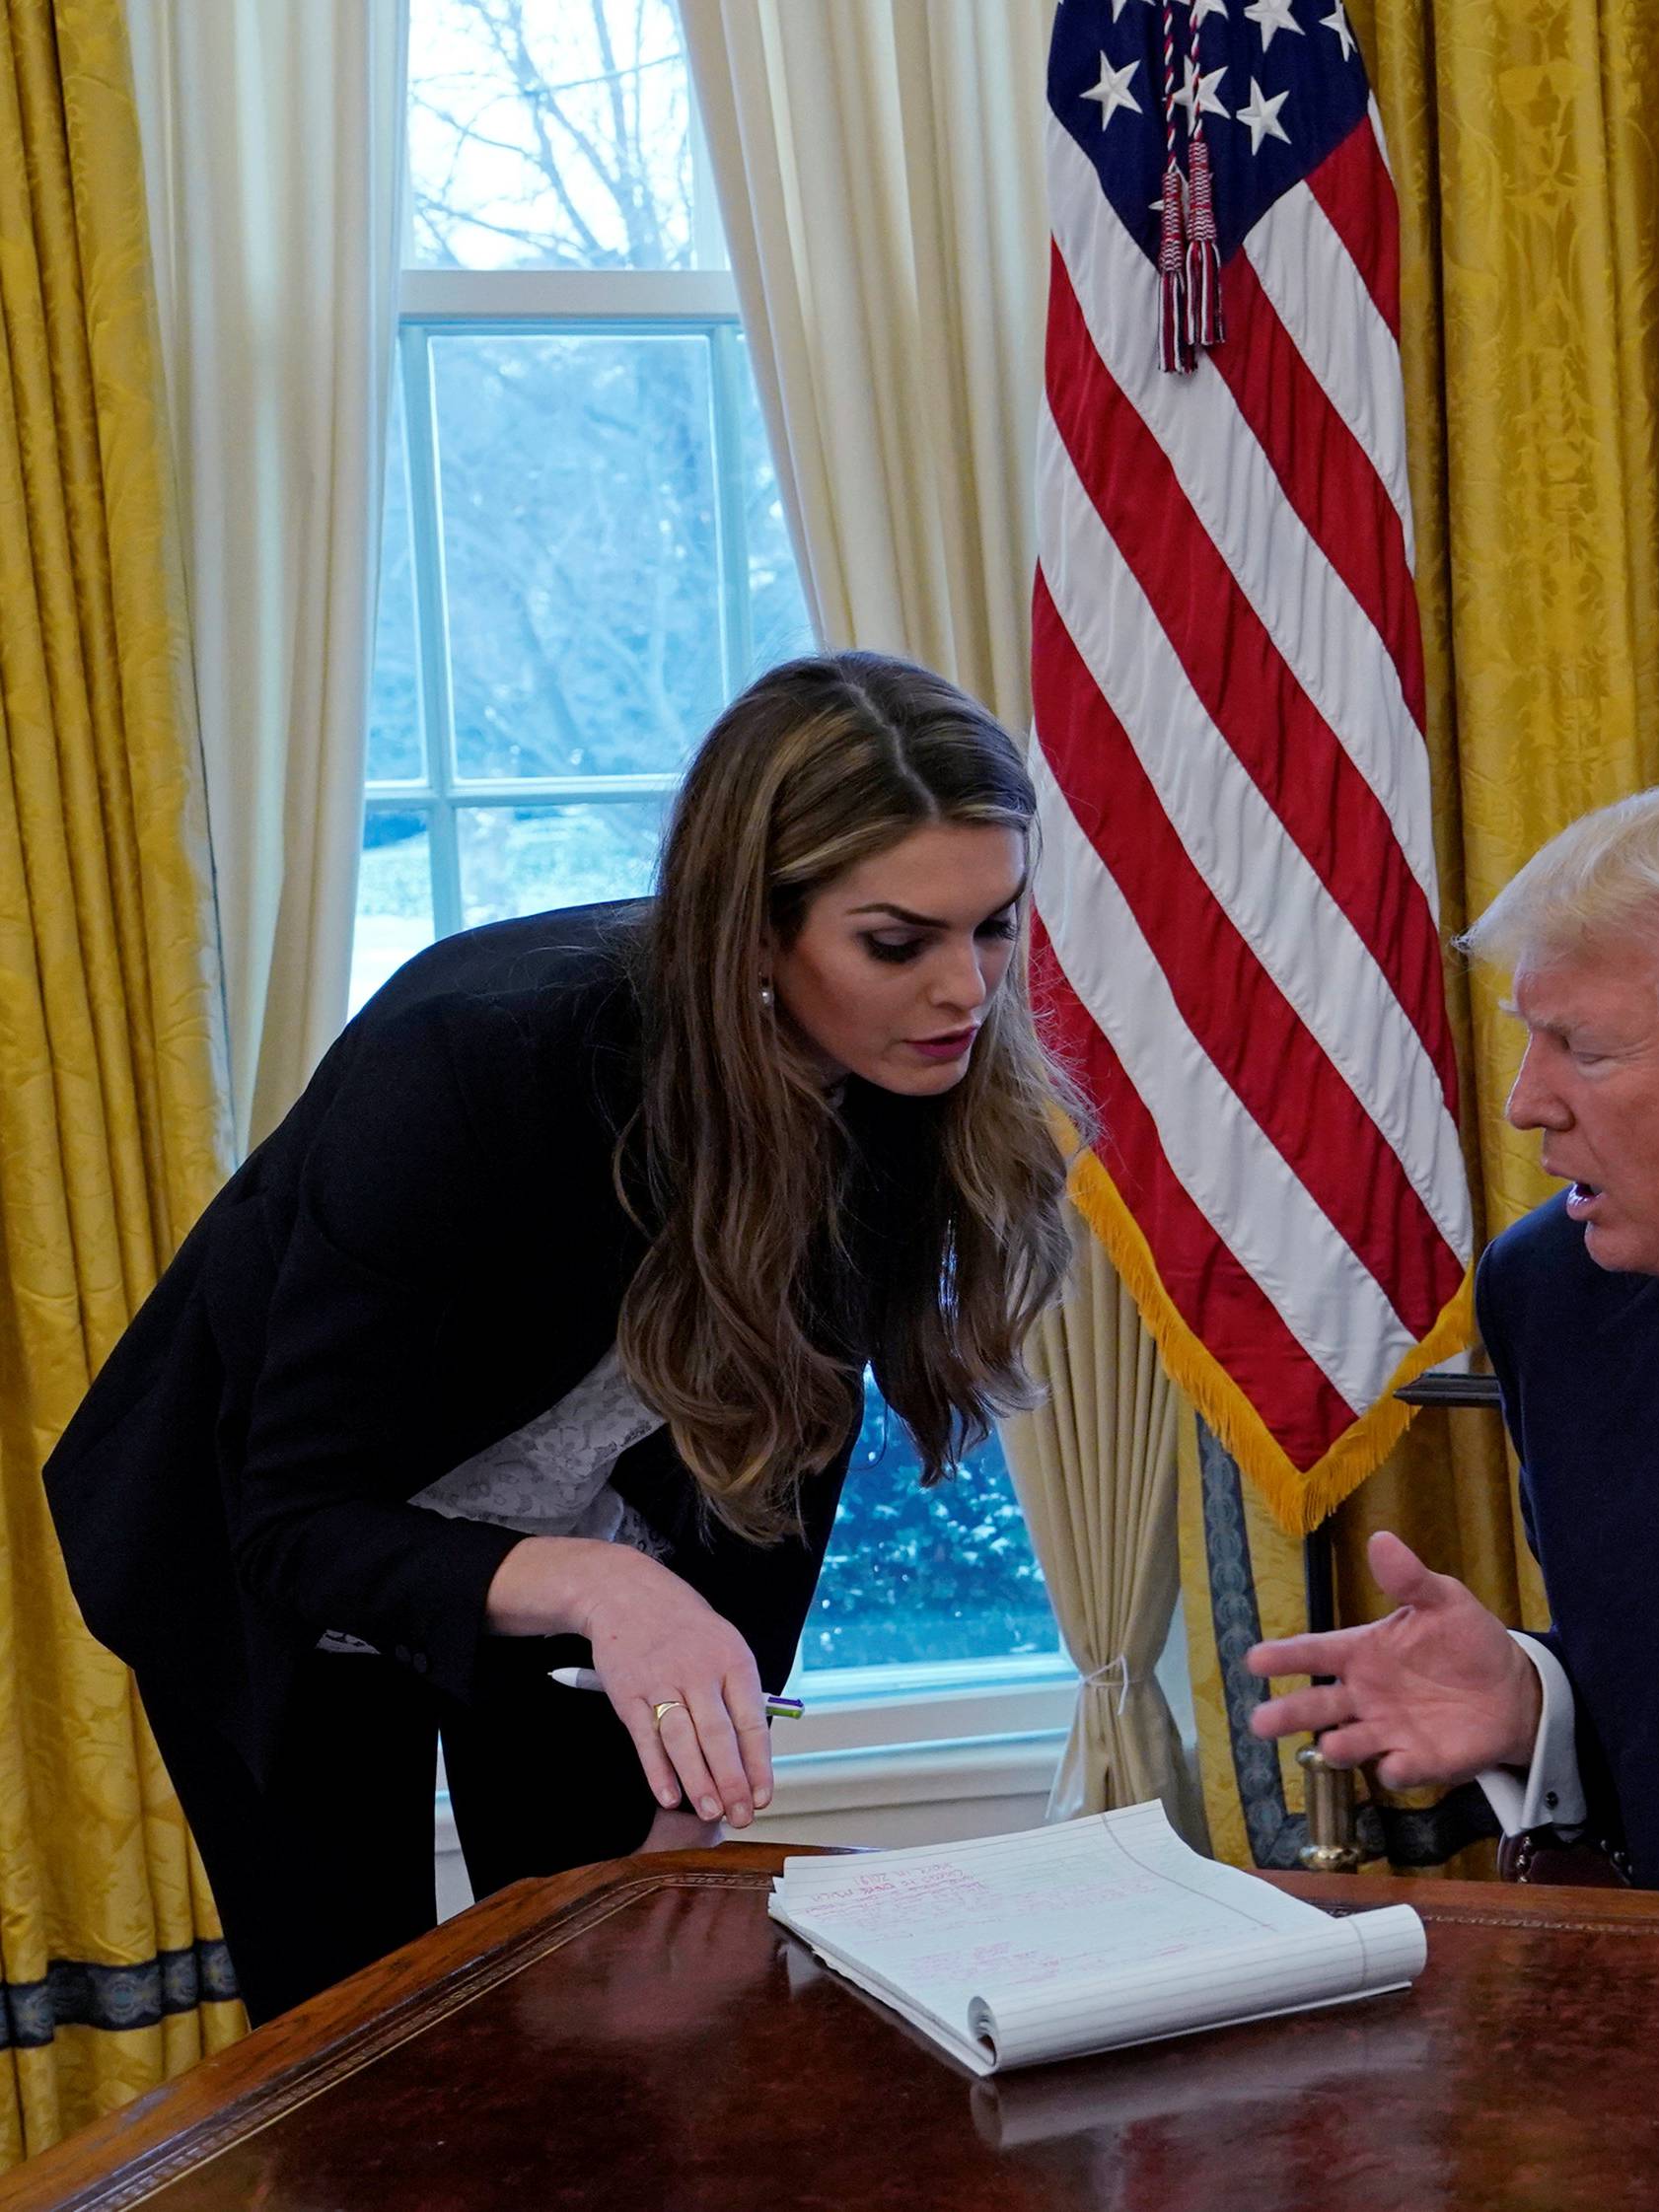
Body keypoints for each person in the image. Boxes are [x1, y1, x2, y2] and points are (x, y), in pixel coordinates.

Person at [43, 650, 1077, 2020]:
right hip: (263, 1547)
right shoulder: (477, 1068)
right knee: (353, 2037)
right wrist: (600, 1585)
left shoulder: (899, 1096)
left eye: (997, 924)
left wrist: (695, 1786)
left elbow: (782, 1475)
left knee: (619, 2003)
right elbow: (291, 1521)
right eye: (899, 942)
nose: (970, 988)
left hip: (595, 1558)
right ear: (751, 929)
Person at [1248, 780, 1659, 1902]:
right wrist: (1533, 1698)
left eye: (1583, 1050)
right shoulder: (1561, 1295)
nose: (1523, 1102)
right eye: (1528, 1038)